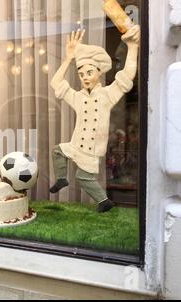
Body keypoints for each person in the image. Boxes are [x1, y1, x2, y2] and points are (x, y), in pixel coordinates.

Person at [49, 26, 140, 213]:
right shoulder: (78, 97)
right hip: (76, 145)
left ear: (99, 72)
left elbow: (127, 75)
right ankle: (62, 178)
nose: (85, 78)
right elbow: (56, 83)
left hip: (90, 148)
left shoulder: (107, 95)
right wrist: (68, 58)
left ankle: (104, 201)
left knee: (83, 177)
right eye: (81, 75)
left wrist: (133, 47)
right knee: (57, 151)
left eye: (89, 73)